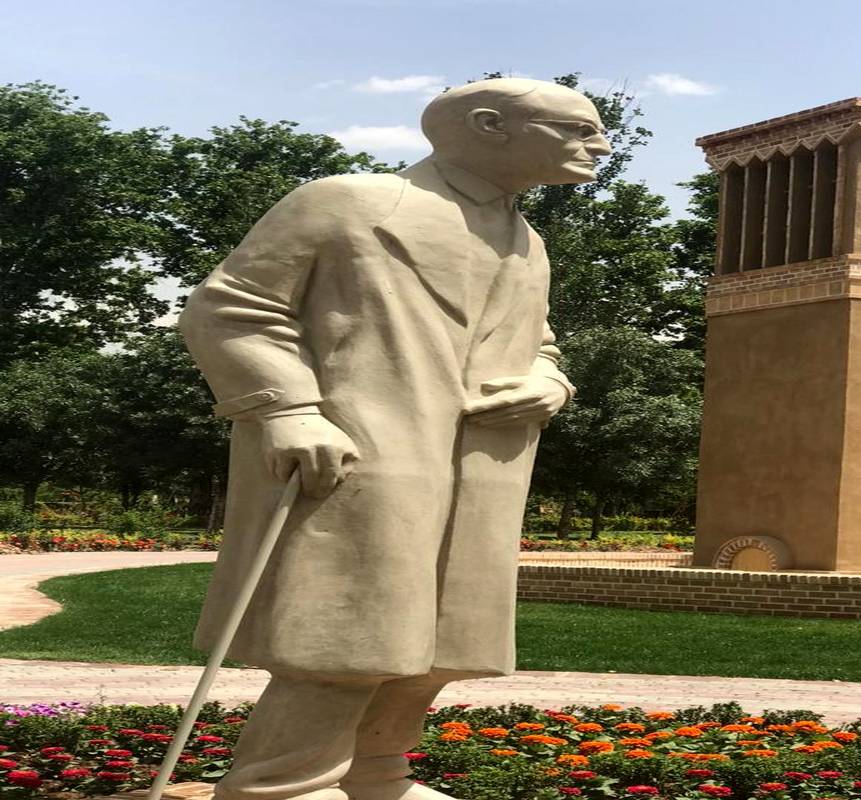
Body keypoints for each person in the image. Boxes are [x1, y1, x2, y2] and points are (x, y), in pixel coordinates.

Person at [178, 78, 612, 800]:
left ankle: (376, 771)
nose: (599, 144)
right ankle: (280, 785)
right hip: (363, 445)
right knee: (345, 631)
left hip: (482, 465)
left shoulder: (527, 240)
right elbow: (232, 309)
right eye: (577, 128)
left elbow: (539, 342)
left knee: (447, 641)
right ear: (489, 125)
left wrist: (550, 381)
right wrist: (290, 409)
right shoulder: (348, 202)